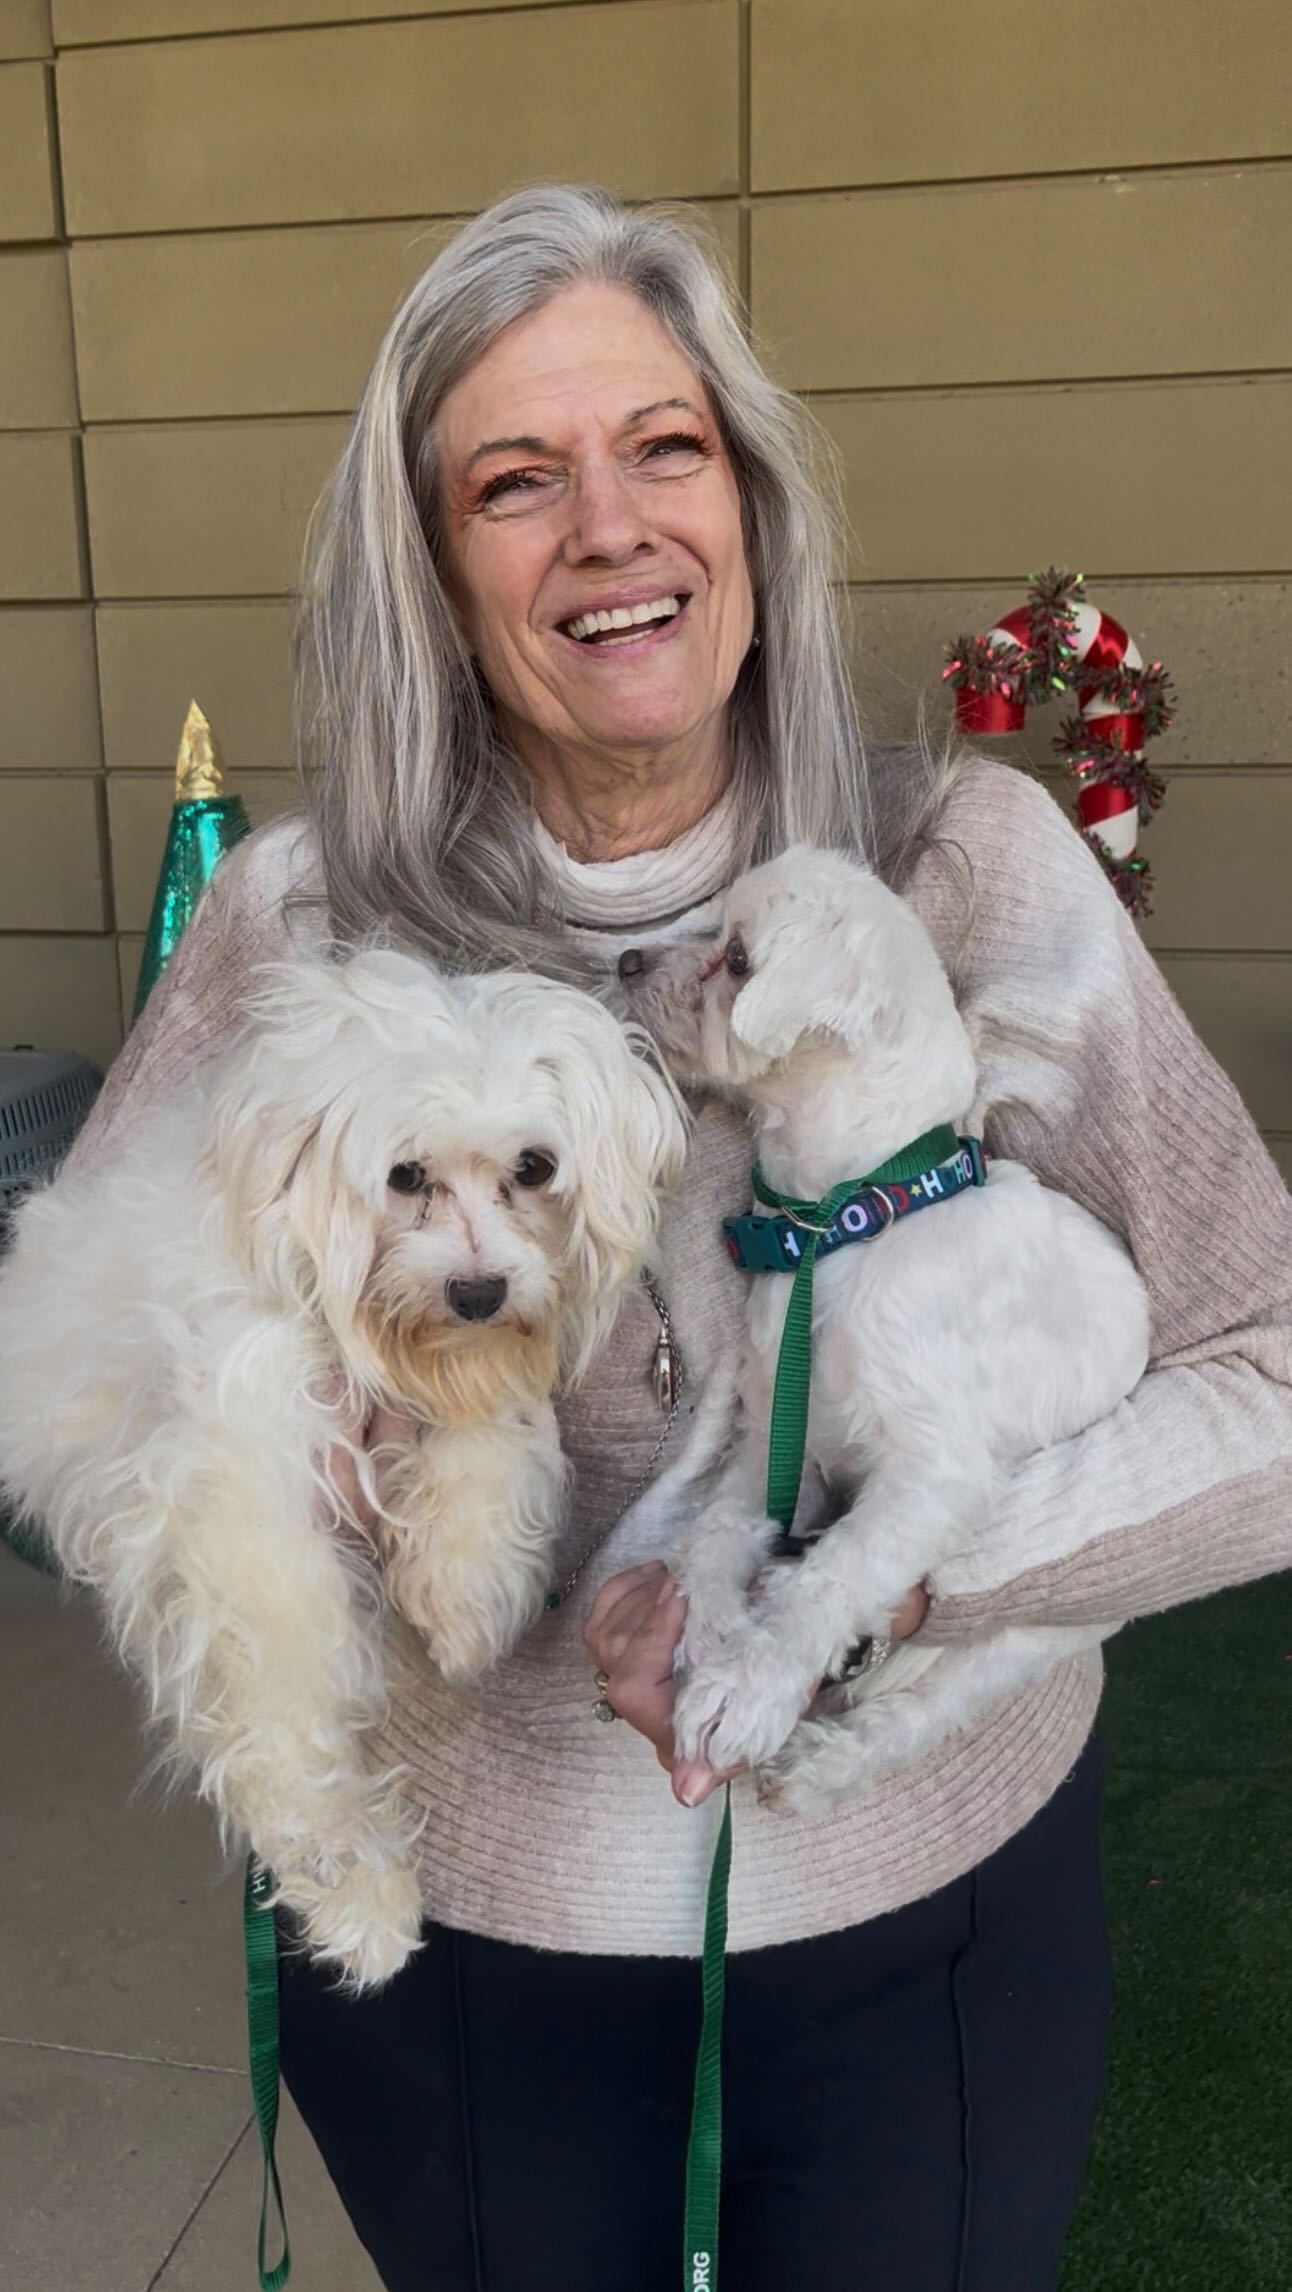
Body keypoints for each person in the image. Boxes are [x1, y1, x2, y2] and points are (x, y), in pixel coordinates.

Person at [70, 185, 1292, 2291]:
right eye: (515, 481)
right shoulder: (298, 926)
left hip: (925, 1919)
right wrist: (310, 1468)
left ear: (747, 497)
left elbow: (1265, 1380)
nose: (609, 528)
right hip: (468, 1950)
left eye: (664, 447)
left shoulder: (967, 869)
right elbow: (82, 1357)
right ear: (434, 575)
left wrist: (871, 1580)